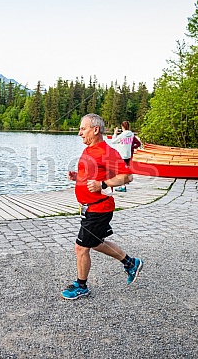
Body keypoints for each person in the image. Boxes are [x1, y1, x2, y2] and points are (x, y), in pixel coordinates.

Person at [62, 113, 142, 300]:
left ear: (95, 129)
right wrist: (77, 177)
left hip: (99, 208)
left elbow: (127, 177)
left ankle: (81, 286)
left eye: (83, 128)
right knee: (96, 243)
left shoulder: (107, 151)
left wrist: (103, 185)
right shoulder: (89, 150)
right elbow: (91, 174)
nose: (80, 133)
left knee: (81, 248)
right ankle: (131, 262)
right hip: (89, 207)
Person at [107, 120, 135, 192]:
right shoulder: (131, 134)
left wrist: (115, 133)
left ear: (122, 127)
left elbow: (113, 141)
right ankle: (126, 181)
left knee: (120, 171)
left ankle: (123, 186)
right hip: (128, 155)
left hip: (121, 155)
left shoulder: (122, 135)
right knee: (126, 169)